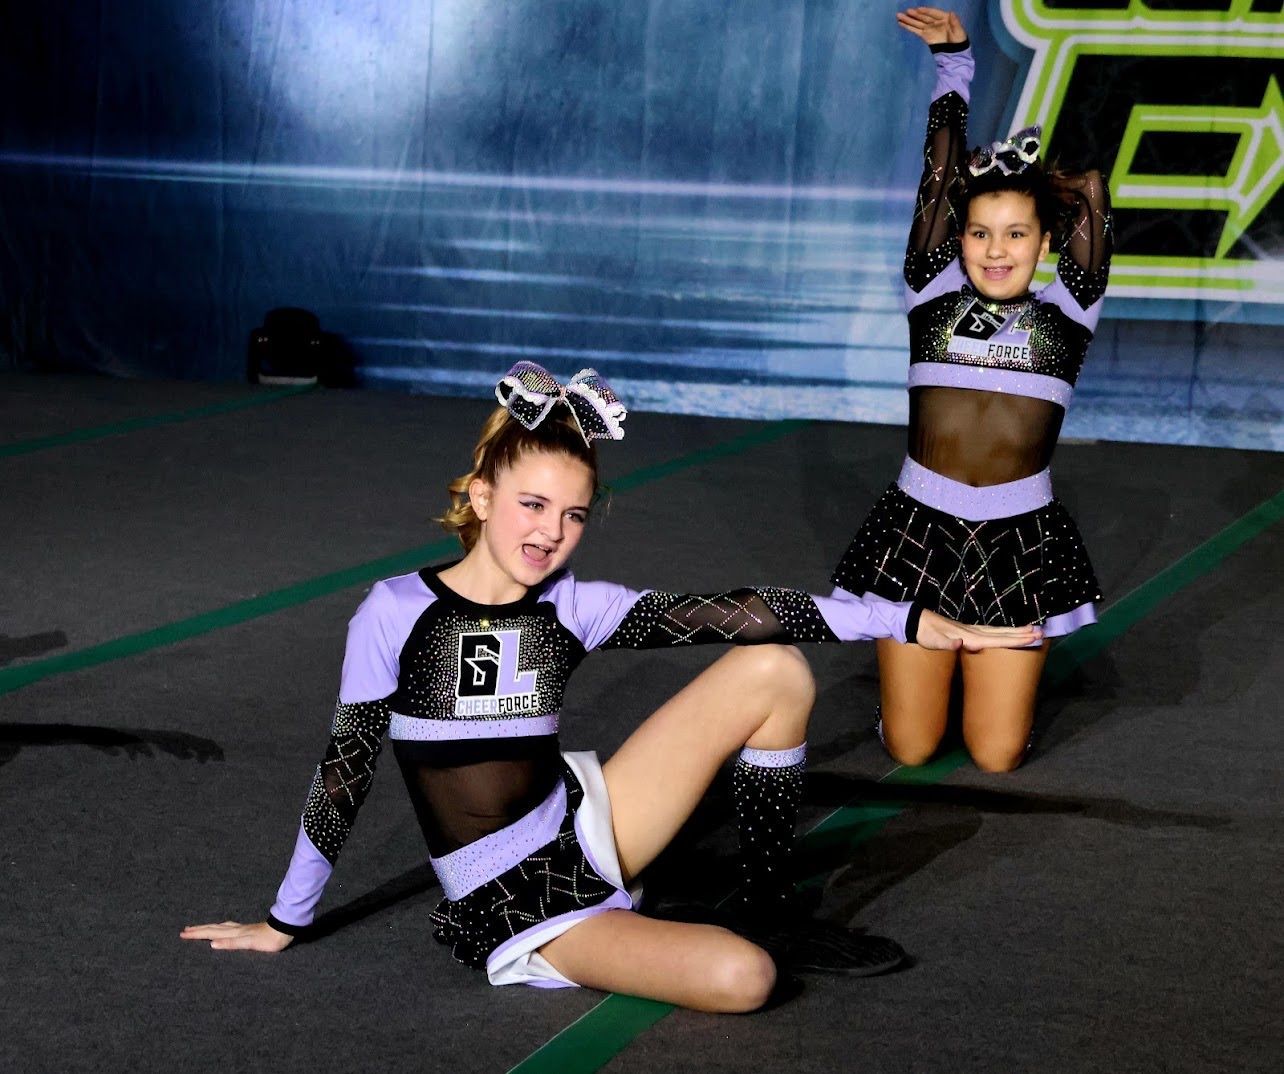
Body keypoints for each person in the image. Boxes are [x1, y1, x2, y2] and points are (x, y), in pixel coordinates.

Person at [183, 362, 1040, 1013]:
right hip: (514, 894)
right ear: (480, 497)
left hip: (583, 819)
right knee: (743, 979)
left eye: (573, 514)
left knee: (773, 668)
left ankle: (769, 900)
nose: (550, 533)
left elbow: (742, 613)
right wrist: (285, 919)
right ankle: (666, 927)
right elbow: (345, 770)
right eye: (530, 505)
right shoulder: (395, 612)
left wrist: (907, 620)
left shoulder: (574, 606)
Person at [830, 7, 1112, 774]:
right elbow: (938, 181)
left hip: (1021, 543)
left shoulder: (1068, 314)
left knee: (995, 754)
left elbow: (1092, 193)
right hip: (916, 534)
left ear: (1045, 243)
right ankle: (913, 690)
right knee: (914, 747)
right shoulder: (932, 296)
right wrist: (955, 68)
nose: (996, 250)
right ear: (956, 241)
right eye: (980, 232)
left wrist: (1030, 177)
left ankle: (983, 683)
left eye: (1017, 233)